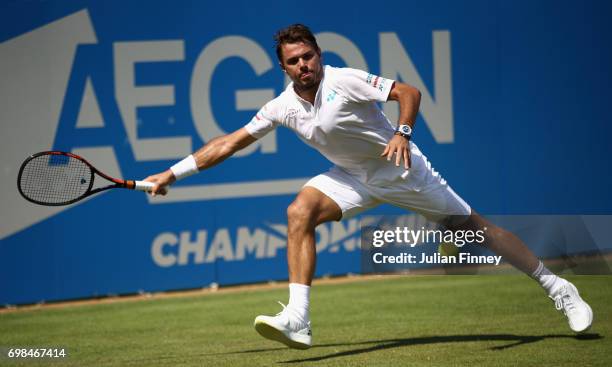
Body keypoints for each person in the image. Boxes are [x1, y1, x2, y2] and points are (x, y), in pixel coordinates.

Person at [144, 24, 593, 349]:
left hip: (401, 169)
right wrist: (173, 173)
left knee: (475, 232)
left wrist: (403, 133)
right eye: (293, 61)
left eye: (308, 56)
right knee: (299, 212)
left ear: (319, 54)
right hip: (352, 177)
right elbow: (228, 143)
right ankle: (298, 319)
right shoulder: (281, 107)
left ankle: (557, 287)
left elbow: (409, 93)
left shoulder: (345, 80)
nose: (303, 65)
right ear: (283, 68)